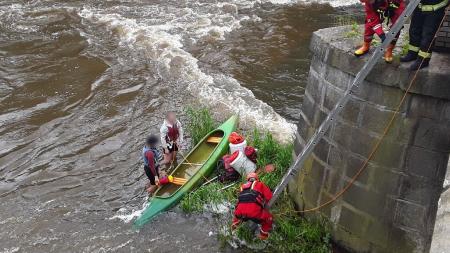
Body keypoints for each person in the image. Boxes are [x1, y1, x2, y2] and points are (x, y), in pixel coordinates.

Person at [400, 0, 448, 70]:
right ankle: (412, 53)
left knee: (427, 36)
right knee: (414, 31)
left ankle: (423, 60)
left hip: (435, 10)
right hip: (419, 8)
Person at [231, 172, 274, 240]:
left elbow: (239, 201)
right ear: (257, 179)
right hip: (253, 212)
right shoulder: (260, 184)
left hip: (240, 213)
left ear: (248, 180)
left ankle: (235, 225)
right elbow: (269, 197)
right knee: (269, 218)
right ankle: (263, 235)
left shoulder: (242, 187)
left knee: (238, 215)